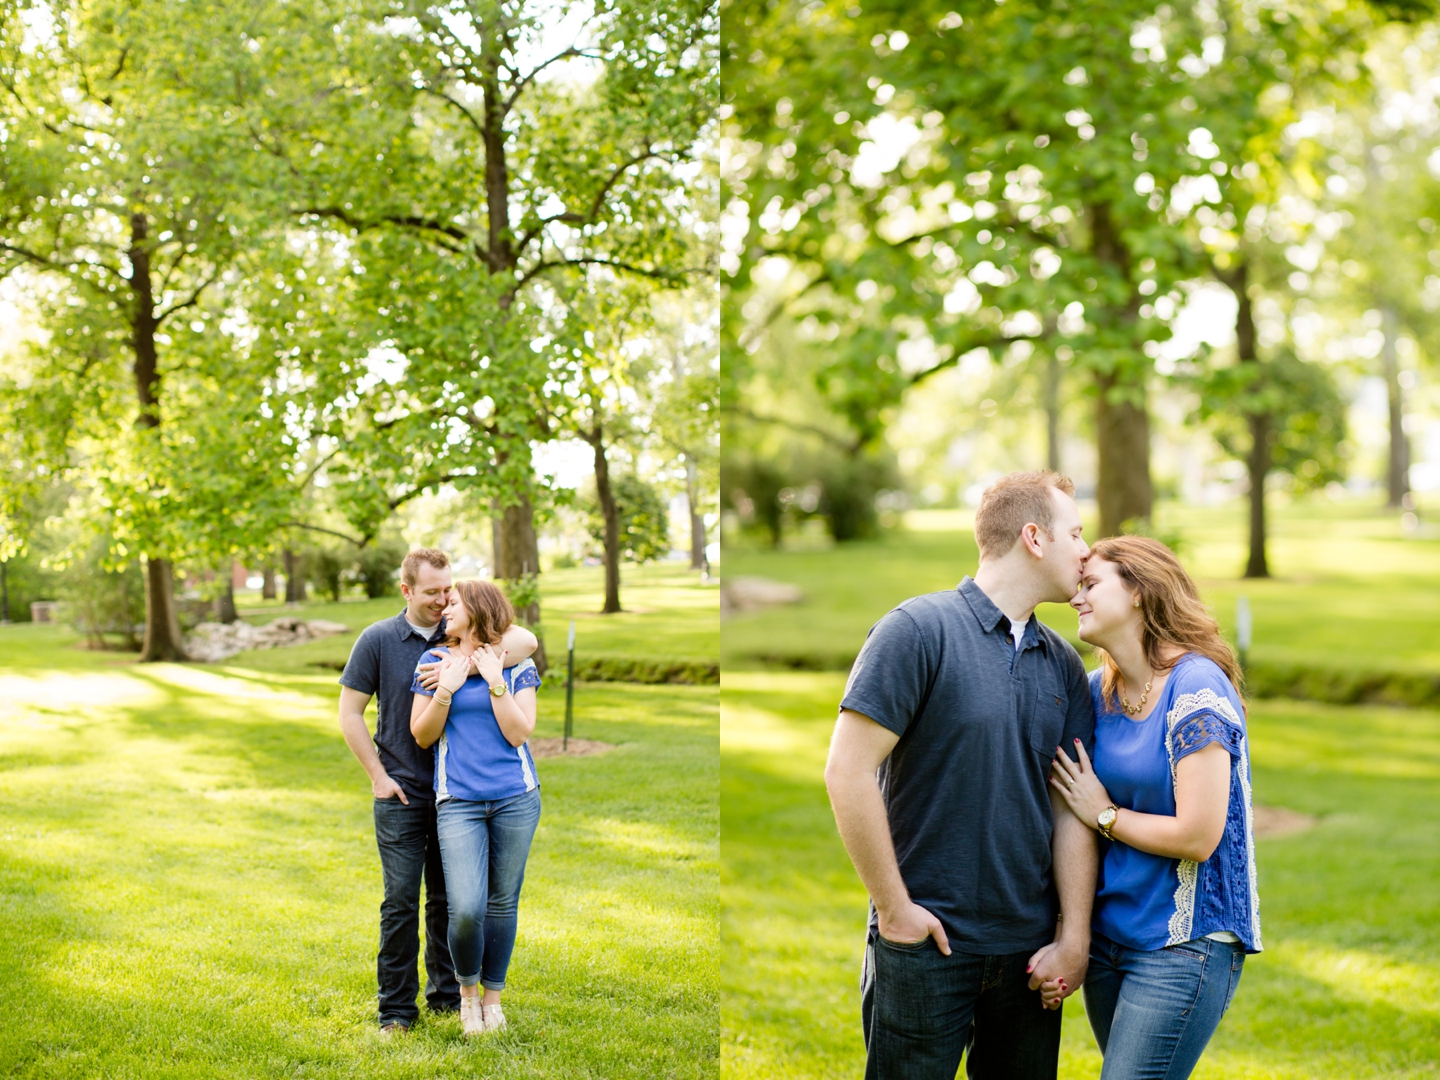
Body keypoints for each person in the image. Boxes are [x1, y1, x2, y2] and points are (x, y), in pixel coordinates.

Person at [823, 470, 1097, 1080]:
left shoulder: (1064, 665)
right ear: (1034, 537)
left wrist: (1072, 936)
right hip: (925, 944)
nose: (1087, 551)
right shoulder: (915, 632)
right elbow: (847, 772)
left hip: (1029, 956)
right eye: (1075, 534)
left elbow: (1070, 807)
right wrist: (895, 910)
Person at [1046, 536, 1260, 1079]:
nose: (1076, 598)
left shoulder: (1196, 687)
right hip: (1108, 943)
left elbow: (1198, 835)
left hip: (1183, 947)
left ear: (1139, 591)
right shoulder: (1095, 692)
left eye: (1091, 584)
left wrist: (1106, 815)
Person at [338, 548, 536, 1034]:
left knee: (452, 901)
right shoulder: (380, 639)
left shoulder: (471, 637)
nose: (443, 600)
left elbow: (526, 638)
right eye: (432, 593)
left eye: (448, 591)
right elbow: (349, 714)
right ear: (407, 590)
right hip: (403, 792)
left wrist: (466, 666)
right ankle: (397, 1011)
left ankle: (450, 997)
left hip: (458, 795)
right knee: (401, 903)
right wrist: (378, 778)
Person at [410, 579, 543, 1037]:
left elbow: (519, 734)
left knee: (502, 903)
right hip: (459, 801)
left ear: (478, 609)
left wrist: (493, 683)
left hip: (515, 797)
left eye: (455, 602)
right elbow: (422, 736)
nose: (445, 607)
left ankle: (492, 1000)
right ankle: (466, 994)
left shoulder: (514, 662)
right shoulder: (433, 662)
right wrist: (446, 688)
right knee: (466, 907)